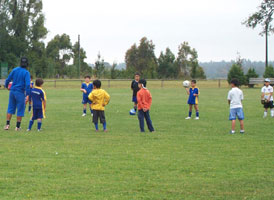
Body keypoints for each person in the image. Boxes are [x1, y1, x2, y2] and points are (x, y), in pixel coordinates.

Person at [4, 57, 31, 131]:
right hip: (20, 92)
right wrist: (28, 94)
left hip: (12, 91)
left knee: (10, 108)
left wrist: (7, 86)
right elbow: (28, 85)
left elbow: (8, 79)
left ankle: (7, 125)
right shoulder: (26, 72)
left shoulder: (14, 70)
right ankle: (17, 127)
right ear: (27, 64)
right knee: (20, 109)